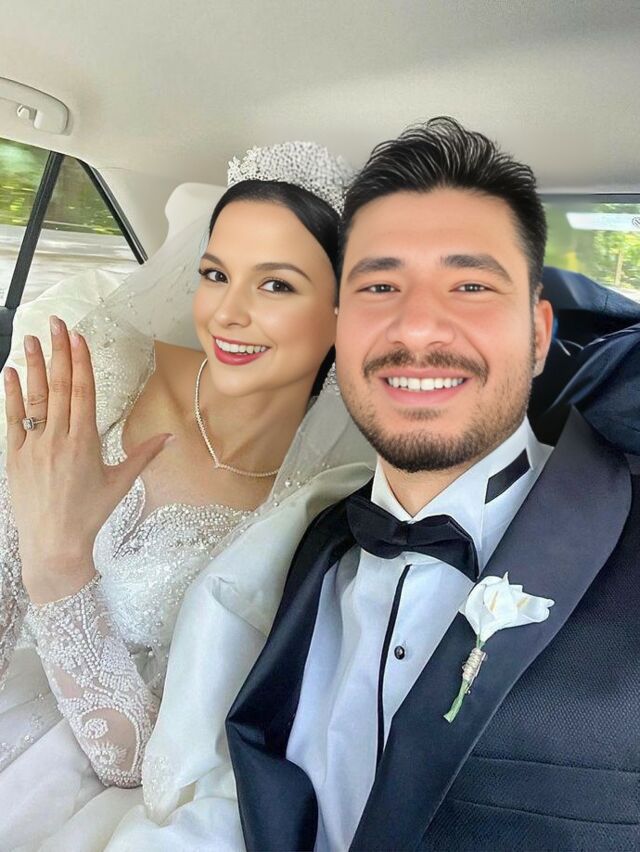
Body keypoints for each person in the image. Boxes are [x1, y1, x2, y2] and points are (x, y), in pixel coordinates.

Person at [225, 118, 640, 852]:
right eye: (380, 285)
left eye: (471, 285)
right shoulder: (303, 548)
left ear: (538, 335)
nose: (417, 328)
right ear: (339, 329)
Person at [0, 142, 374, 850]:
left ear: (341, 313)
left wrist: (60, 565)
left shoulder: (319, 507)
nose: (228, 313)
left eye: (276, 285)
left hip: (98, 772)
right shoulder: (105, 368)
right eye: (215, 274)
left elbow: (153, 761)